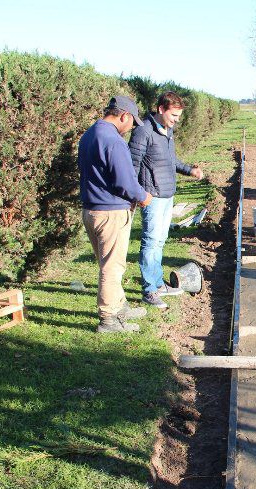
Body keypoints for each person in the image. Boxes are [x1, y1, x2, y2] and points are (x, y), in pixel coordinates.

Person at [78, 95, 153, 333]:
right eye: (132, 123)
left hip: (91, 209)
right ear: (124, 116)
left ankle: (119, 306)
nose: (131, 129)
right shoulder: (113, 140)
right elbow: (125, 182)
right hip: (111, 213)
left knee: (108, 263)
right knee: (112, 267)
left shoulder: (89, 134)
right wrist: (143, 196)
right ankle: (108, 319)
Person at [129, 91, 203, 309]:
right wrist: (137, 194)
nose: (176, 121)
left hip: (167, 195)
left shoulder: (166, 131)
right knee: (150, 242)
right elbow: (132, 164)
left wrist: (189, 170)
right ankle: (149, 291)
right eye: (173, 116)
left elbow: (171, 161)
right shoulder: (143, 131)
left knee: (159, 241)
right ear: (161, 109)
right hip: (152, 196)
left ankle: (157, 283)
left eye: (179, 117)